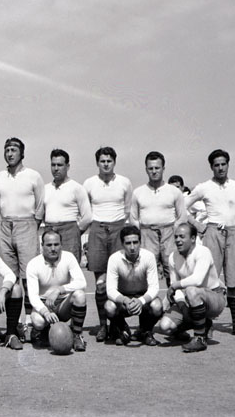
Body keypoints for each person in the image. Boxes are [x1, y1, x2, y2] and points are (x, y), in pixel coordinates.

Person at [185, 149, 235, 338]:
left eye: (223, 164)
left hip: (233, 233)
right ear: (211, 167)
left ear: (228, 164)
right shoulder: (204, 187)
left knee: (233, 282)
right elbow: (181, 206)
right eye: (216, 165)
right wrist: (197, 225)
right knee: (210, 281)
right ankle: (207, 324)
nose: (220, 168)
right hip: (212, 233)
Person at [0, 137, 45, 338]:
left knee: (28, 278)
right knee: (10, 278)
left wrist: (32, 226)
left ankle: (31, 323)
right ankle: (13, 325)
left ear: (22, 153)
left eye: (14, 150)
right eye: (7, 150)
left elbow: (40, 206)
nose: (10, 153)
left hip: (27, 225)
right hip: (5, 226)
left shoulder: (33, 176)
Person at [83, 146, 133, 342]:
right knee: (100, 283)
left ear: (114, 162)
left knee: (118, 280)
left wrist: (118, 226)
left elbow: (127, 209)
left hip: (118, 228)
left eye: (109, 161)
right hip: (97, 228)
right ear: (97, 163)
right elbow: (86, 209)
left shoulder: (124, 182)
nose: (106, 164)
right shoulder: (89, 183)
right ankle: (103, 325)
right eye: (102, 161)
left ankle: (116, 325)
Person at [158, 223, 226, 352]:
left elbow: (197, 279)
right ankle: (203, 324)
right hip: (189, 300)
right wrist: (182, 306)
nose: (178, 240)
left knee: (191, 290)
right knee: (165, 326)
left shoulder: (203, 252)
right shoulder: (173, 257)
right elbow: (175, 289)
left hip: (214, 298)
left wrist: (175, 286)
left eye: (182, 236)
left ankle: (200, 339)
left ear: (193, 238)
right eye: (176, 237)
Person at [129, 152, 186, 287]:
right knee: (146, 271)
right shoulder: (138, 192)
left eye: (157, 168)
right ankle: (149, 300)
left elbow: (182, 216)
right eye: (151, 168)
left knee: (172, 270)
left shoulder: (174, 191)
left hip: (169, 234)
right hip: (147, 234)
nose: (154, 171)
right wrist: (142, 233)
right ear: (146, 170)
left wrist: (173, 231)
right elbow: (133, 218)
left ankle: (174, 298)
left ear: (163, 168)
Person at [26, 229, 88, 351]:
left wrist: (60, 289)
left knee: (80, 295)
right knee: (38, 321)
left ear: (61, 245)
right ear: (42, 245)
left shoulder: (68, 257)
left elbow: (82, 282)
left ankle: (76, 335)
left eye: (56, 244)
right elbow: (33, 296)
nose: (53, 248)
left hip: (63, 304)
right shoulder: (33, 264)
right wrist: (45, 312)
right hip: (44, 304)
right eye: (49, 245)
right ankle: (43, 331)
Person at [105, 225, 162, 346]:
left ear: (140, 242)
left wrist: (141, 301)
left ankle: (145, 331)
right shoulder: (114, 259)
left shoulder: (149, 256)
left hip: (142, 297)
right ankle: (123, 329)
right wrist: (125, 300)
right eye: (128, 243)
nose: (132, 247)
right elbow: (110, 290)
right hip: (123, 298)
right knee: (109, 307)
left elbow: (154, 287)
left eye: (135, 242)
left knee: (157, 306)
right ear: (122, 244)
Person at [43, 149, 92, 262]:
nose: (56, 168)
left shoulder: (77, 188)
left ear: (67, 166)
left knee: (69, 265)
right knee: (49, 267)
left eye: (60, 165)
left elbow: (87, 217)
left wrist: (74, 232)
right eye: (53, 165)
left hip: (70, 232)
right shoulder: (45, 189)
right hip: (49, 231)